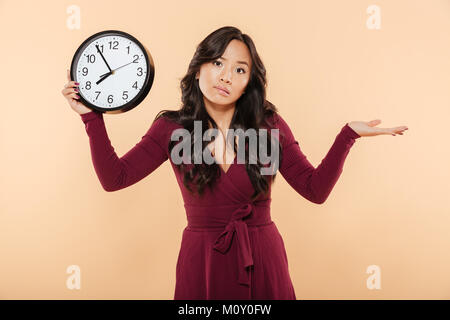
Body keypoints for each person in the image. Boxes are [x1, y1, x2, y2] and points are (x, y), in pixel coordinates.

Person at [61, 26, 408, 299]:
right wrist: (92, 118)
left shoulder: (270, 126)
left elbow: (314, 190)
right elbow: (115, 177)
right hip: (202, 263)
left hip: (263, 258)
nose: (226, 76)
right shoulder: (171, 128)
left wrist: (347, 135)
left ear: (248, 84)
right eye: (217, 63)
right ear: (198, 69)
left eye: (239, 70)